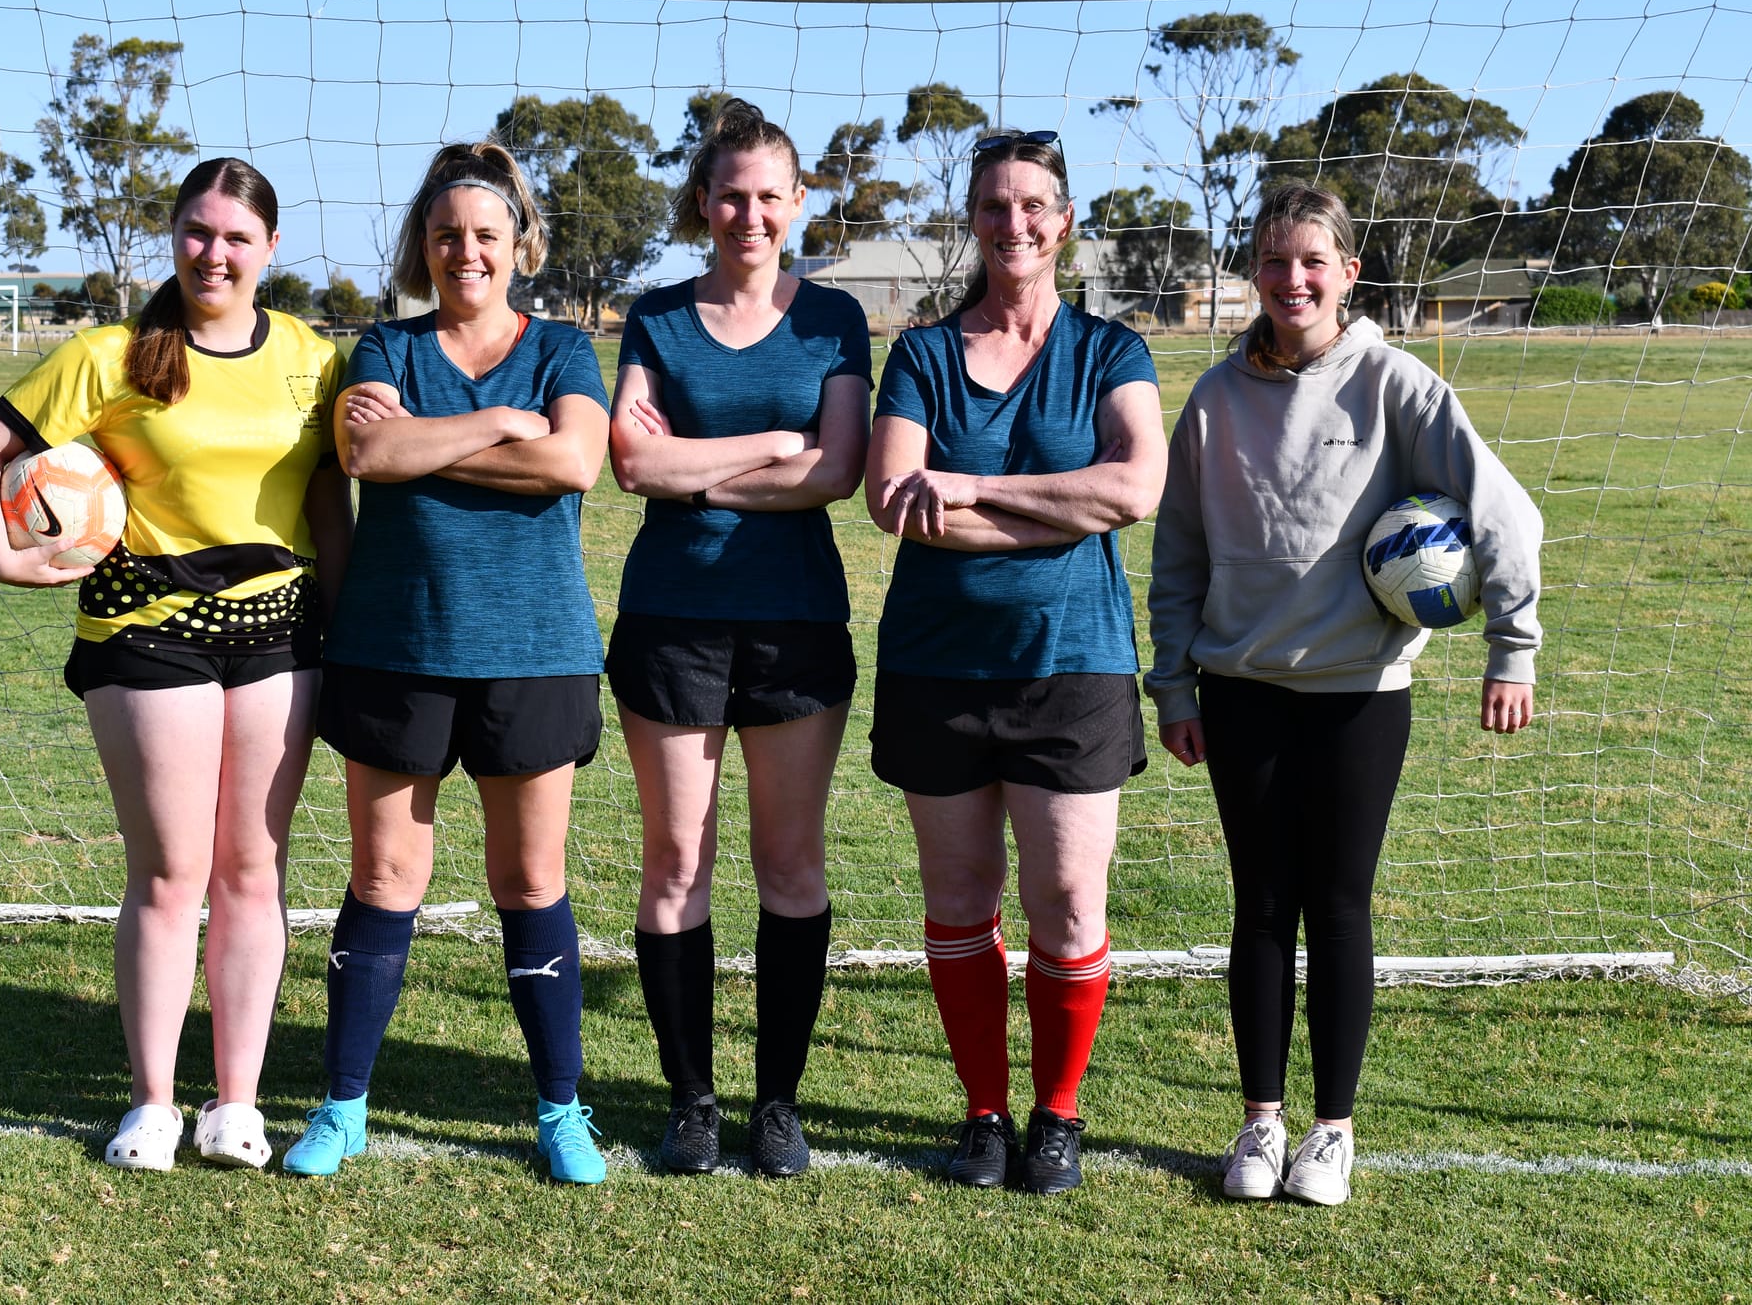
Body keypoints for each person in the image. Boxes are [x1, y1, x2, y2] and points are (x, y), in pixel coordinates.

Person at [0, 157, 351, 1173]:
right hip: (145, 628)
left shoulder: (311, 357)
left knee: (251, 867)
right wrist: (3, 557)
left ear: (268, 248)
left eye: (235, 237)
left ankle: (237, 1107)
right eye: (197, 231)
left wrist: (342, 626)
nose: (214, 253)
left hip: (278, 632)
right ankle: (155, 1104)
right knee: (170, 871)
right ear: (174, 235)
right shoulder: (110, 354)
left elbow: (330, 511)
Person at [1145, 183, 1543, 1207]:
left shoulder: (1397, 384)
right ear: (1254, 275)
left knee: (1338, 903)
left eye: (1311, 261)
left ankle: (1330, 1131)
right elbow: (1177, 552)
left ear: (1347, 272)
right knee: (1259, 905)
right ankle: (1258, 1124)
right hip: (1237, 690)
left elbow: (1502, 510)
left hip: (1361, 692)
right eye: (1274, 262)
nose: (1293, 280)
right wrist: (1172, 677)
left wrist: (1512, 646)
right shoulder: (1213, 398)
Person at [284, 139, 613, 1185]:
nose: (464, 251)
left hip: (534, 649)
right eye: (444, 235)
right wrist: (500, 426)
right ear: (421, 249)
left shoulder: (563, 349)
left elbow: (573, 460)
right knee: (384, 876)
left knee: (530, 878)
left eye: (483, 234)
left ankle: (560, 1108)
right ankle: (342, 1107)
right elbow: (365, 455)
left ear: (519, 244)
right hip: (395, 645)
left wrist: (440, 436)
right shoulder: (382, 345)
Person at [864, 129, 1167, 1195]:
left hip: (1071, 663)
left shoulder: (1111, 351)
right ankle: (984, 1114)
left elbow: (1131, 491)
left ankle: (1058, 1112)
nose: (1013, 222)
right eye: (993, 205)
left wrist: (975, 491)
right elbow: (896, 500)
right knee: (958, 899)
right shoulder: (921, 355)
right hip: (936, 666)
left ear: (1064, 218)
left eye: (1033, 203)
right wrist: (1055, 503)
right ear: (972, 221)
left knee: (1068, 901)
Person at [607, 99, 871, 1177]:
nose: (748, 214)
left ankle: (776, 1101)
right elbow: (630, 467)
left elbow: (840, 469)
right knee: (675, 861)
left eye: (769, 195)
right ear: (701, 203)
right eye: (730, 195)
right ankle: (691, 1101)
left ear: (796, 202)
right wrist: (771, 440)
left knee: (788, 860)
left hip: (795, 623)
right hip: (670, 622)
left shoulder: (835, 320)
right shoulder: (655, 318)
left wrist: (700, 463)